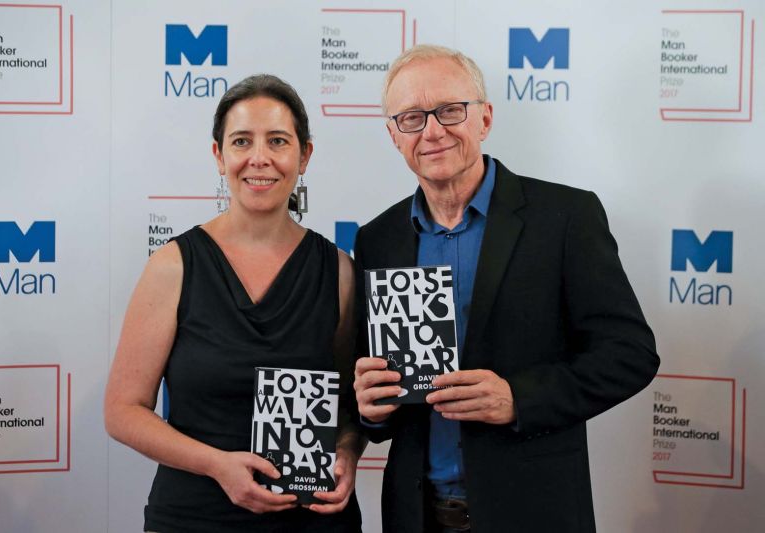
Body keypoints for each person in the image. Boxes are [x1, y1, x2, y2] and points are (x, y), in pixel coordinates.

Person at [353, 45, 660, 533]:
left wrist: (519, 398)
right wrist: (370, 410)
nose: (432, 131)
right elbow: (384, 396)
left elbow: (630, 355)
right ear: (394, 135)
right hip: (417, 515)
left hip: (533, 510)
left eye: (450, 110)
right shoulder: (377, 239)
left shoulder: (564, 218)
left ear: (485, 118)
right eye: (412, 118)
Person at [105, 74, 364, 532]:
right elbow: (123, 411)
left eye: (278, 141)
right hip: (195, 517)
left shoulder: (340, 271)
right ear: (218, 154)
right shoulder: (173, 266)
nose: (259, 159)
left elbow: (350, 404)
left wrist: (347, 451)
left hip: (313, 521)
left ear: (304, 156)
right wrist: (216, 464)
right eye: (242, 141)